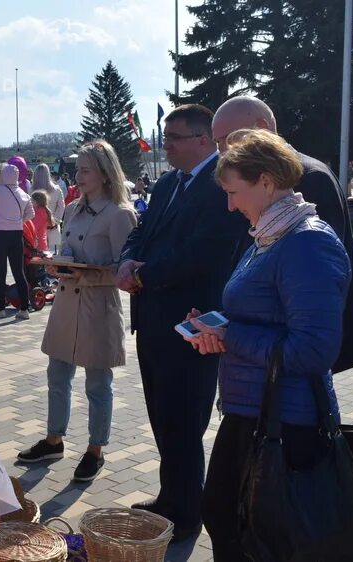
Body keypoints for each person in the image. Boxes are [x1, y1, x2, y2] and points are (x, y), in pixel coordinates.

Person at [182, 129, 353, 559]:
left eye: (234, 192)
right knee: (225, 517)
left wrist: (230, 335)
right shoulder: (271, 236)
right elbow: (261, 315)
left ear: (267, 182)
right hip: (253, 410)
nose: (230, 204)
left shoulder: (307, 242)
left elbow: (313, 350)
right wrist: (212, 326)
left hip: (287, 422)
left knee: (258, 534)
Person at [115, 104, 249, 541]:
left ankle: (188, 514)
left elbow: (204, 254)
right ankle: (172, 498)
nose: (164, 144)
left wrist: (143, 273)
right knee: (163, 418)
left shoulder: (220, 186)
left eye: (173, 137)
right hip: (152, 320)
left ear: (204, 140)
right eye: (165, 136)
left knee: (185, 422)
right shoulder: (170, 182)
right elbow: (143, 231)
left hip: (193, 327)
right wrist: (127, 260)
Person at [211, 95, 353, 373]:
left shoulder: (309, 178)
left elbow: (314, 290)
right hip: (262, 370)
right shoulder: (260, 200)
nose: (223, 151)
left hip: (288, 377)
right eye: (218, 144)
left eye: (228, 139)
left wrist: (232, 334)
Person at [17, 140, 138, 481]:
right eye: (77, 169)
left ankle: (95, 450)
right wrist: (56, 265)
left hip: (98, 307)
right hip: (67, 305)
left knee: (98, 383)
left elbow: (126, 272)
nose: (78, 175)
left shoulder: (120, 214)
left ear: (104, 173)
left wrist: (87, 271)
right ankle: (54, 439)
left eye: (85, 170)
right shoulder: (71, 209)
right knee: (57, 375)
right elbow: (68, 249)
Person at [0, 162, 35, 319]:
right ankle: (24, 309)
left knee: (0, 272)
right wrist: (18, 221)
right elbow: (31, 214)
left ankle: (0, 309)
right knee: (18, 272)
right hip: (16, 234)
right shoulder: (22, 193)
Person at [33, 164, 65, 251]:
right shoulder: (57, 190)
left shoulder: (30, 190)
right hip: (52, 229)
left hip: (35, 231)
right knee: (52, 260)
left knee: (35, 259)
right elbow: (61, 207)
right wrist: (55, 222)